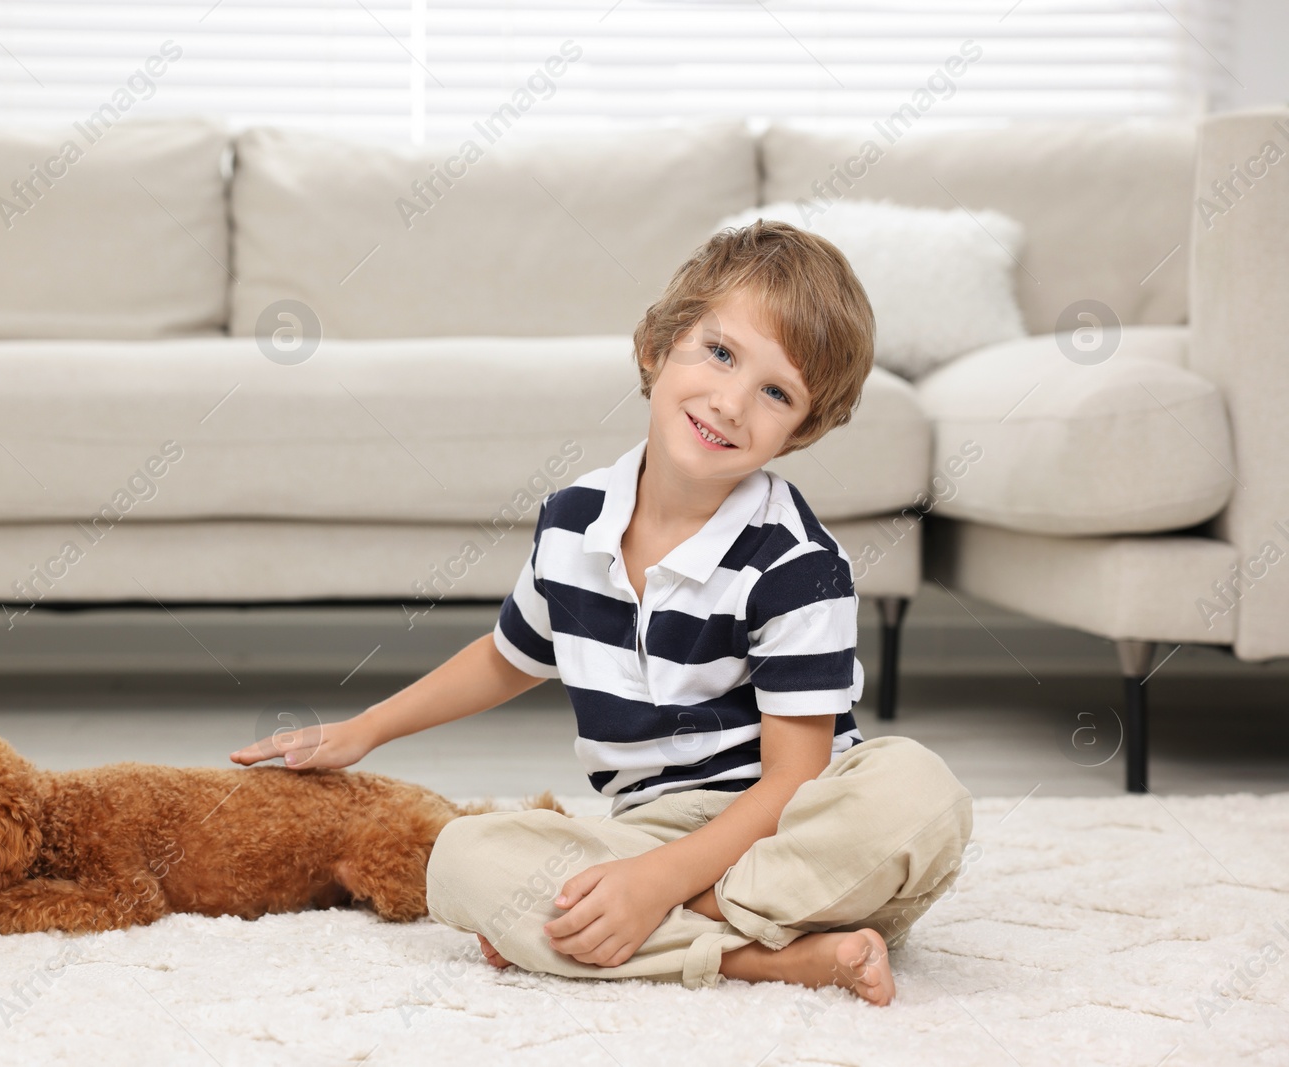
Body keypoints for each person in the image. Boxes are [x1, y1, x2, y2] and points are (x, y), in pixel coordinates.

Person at [229, 220, 974, 1005]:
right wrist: (366, 727)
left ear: (801, 429)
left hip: (785, 827)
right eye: (719, 353)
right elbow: (508, 655)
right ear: (658, 344)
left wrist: (657, 885)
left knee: (917, 794)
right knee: (460, 859)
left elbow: (796, 777)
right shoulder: (573, 518)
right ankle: (768, 956)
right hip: (647, 825)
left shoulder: (797, 563)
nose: (729, 402)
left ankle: (679, 922)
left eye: (775, 392)